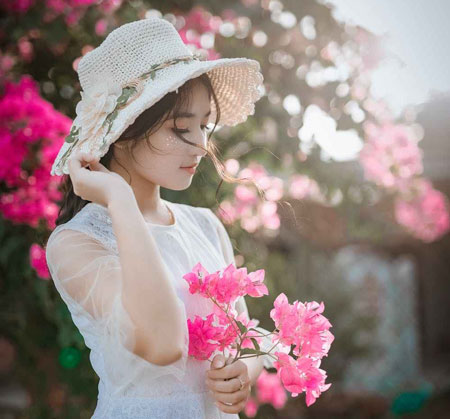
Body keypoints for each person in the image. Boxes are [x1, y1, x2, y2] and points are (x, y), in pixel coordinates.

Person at [45, 17, 279, 418]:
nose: (202, 146)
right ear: (122, 132)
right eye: (180, 127)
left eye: (204, 125)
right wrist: (118, 199)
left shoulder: (205, 224)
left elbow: (244, 330)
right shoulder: (75, 243)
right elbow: (163, 343)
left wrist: (246, 369)